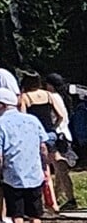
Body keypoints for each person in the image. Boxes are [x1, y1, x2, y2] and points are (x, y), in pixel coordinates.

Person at [20, 73, 73, 213]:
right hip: (50, 133)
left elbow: (23, 119)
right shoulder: (48, 95)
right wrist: (54, 128)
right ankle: (62, 198)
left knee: (42, 169)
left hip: (35, 135)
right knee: (56, 165)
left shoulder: (25, 97)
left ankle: (48, 202)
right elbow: (61, 115)